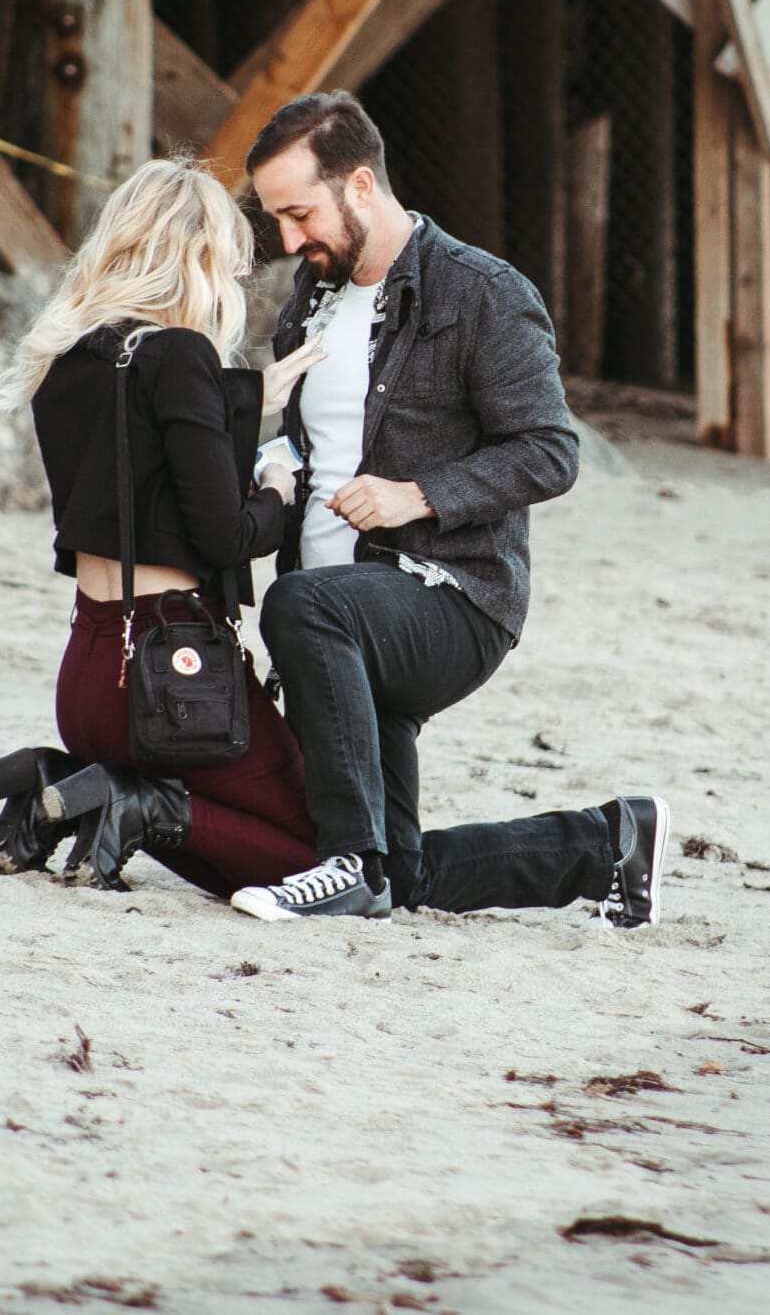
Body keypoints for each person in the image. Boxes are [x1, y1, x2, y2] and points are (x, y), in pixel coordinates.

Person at [230, 92, 669, 925]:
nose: (288, 241)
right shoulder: (310, 300)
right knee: (409, 877)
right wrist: (267, 468)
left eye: (299, 214)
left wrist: (419, 494)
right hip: (342, 612)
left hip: (449, 599)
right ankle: (606, 844)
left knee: (304, 608)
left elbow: (550, 450)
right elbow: (308, 444)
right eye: (276, 221)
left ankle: (346, 863)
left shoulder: (481, 293)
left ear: (360, 186)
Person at [0, 159, 328, 895]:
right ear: (199, 258)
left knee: (228, 855)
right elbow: (226, 536)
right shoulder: (181, 355)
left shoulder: (66, 357)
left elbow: (135, 453)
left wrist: (241, 395)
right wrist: (277, 489)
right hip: (173, 673)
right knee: (321, 856)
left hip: (89, 675)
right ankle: (136, 800)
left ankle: (65, 781)